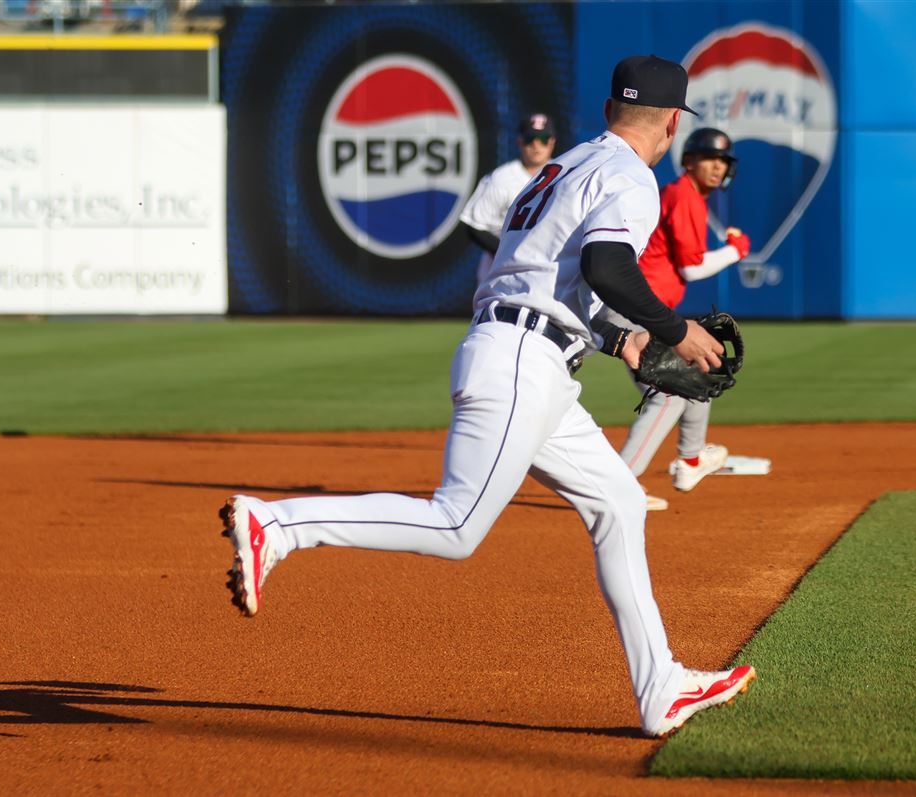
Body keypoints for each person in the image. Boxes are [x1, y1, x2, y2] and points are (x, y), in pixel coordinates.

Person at [218, 56, 756, 738]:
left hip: (532, 358)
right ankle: (279, 525)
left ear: (607, 110)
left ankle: (662, 690)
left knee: (619, 500)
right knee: (456, 524)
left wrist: (619, 339)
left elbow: (554, 270)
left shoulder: (569, 163)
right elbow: (606, 265)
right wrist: (673, 330)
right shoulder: (631, 177)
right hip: (520, 363)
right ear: (675, 120)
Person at [614, 128, 751, 510]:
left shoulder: (686, 196)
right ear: (689, 160)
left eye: (722, 160)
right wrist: (735, 251)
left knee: (694, 374)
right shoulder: (684, 195)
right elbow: (690, 269)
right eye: (709, 157)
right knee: (669, 394)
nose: (716, 165)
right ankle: (621, 486)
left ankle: (690, 460)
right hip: (636, 307)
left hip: (644, 306)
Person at [459, 113, 558, 289]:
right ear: (519, 142)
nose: (536, 145)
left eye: (543, 138)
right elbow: (474, 226)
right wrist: (510, 254)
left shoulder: (564, 175)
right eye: (530, 139)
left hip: (548, 269)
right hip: (501, 272)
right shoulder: (502, 178)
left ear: (552, 142)